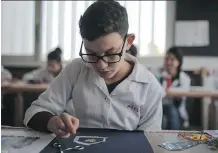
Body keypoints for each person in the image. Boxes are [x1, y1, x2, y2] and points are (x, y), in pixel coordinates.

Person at [24, 1, 163, 137]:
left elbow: (150, 138)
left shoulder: (149, 86)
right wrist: (52, 121)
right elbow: (35, 111)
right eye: (91, 54)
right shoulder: (76, 69)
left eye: (110, 53)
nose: (101, 65)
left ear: (128, 42)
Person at [160, 47, 190, 130]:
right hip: (161, 108)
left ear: (178, 62)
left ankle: (173, 138)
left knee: (171, 109)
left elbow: (184, 93)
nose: (168, 62)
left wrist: (167, 91)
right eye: (167, 59)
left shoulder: (184, 78)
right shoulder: (161, 76)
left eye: (172, 59)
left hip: (177, 111)